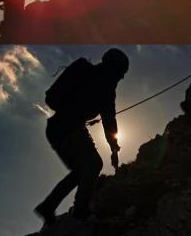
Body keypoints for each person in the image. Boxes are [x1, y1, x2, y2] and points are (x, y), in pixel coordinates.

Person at [34, 48, 129, 227]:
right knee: (93, 164)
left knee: (81, 171)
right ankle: (80, 210)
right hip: (68, 128)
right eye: (119, 75)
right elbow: (109, 120)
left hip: (55, 129)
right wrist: (114, 147)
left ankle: (48, 206)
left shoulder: (84, 69)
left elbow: (53, 98)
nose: (118, 80)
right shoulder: (107, 89)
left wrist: (113, 145)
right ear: (115, 71)